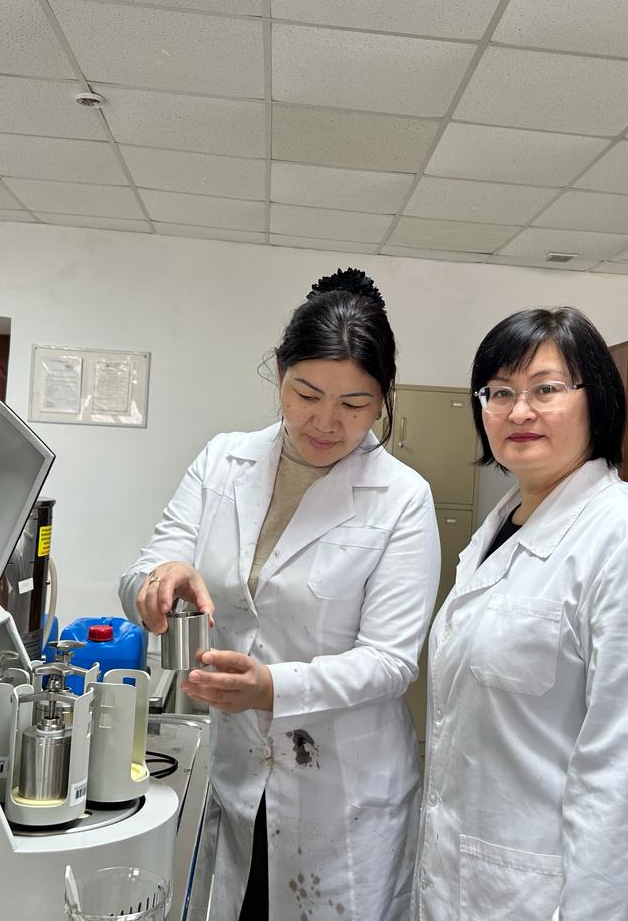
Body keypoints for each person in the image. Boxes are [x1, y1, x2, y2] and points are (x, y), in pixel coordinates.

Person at [120, 269, 440, 921]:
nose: (326, 421)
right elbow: (143, 574)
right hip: (236, 766)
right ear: (278, 373)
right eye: (306, 394)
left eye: (355, 404)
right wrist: (159, 583)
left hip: (343, 787)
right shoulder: (223, 461)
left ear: (383, 399)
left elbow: (391, 661)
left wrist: (272, 687)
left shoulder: (403, 498)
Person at [413, 307, 628, 921]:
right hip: (472, 886)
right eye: (500, 392)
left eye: (546, 389)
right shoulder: (500, 529)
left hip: (560, 898)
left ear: (596, 400)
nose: (519, 411)